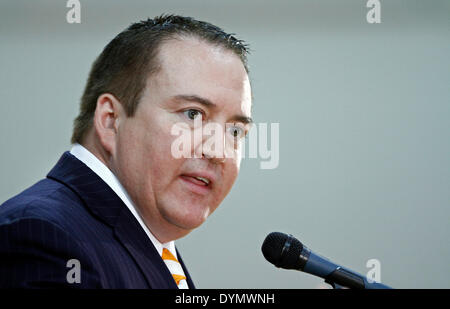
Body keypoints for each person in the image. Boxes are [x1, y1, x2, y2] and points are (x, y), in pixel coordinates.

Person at [0, 14, 252, 288]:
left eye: (235, 131)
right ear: (111, 121)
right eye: (192, 114)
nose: (218, 151)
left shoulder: (152, 244)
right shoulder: (44, 236)